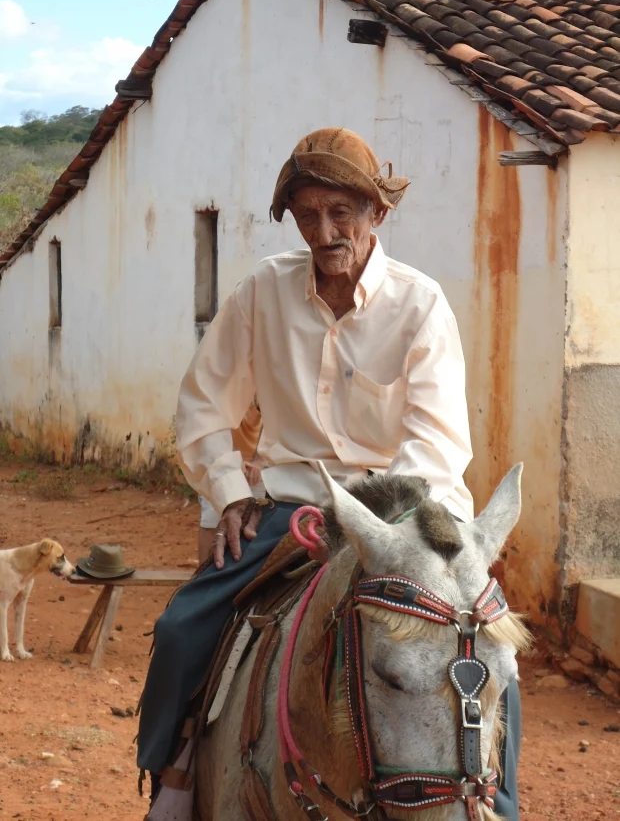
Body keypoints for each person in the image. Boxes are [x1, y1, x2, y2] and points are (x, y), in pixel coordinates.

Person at [137, 128, 520, 821]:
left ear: (377, 214)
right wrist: (228, 491)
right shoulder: (263, 293)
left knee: (487, 650)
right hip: (298, 512)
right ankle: (176, 777)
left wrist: (379, 529)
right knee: (181, 630)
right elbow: (201, 408)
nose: (324, 230)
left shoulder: (420, 304)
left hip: (412, 519)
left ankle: (499, 803)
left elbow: (434, 445)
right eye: (308, 214)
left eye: (342, 212)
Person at [197, 400, 264, 563]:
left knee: (257, 521)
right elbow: (216, 423)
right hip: (223, 458)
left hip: (262, 460)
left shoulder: (270, 381)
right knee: (211, 519)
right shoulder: (221, 381)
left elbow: (273, 422)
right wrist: (232, 463)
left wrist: (259, 461)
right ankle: (202, 578)